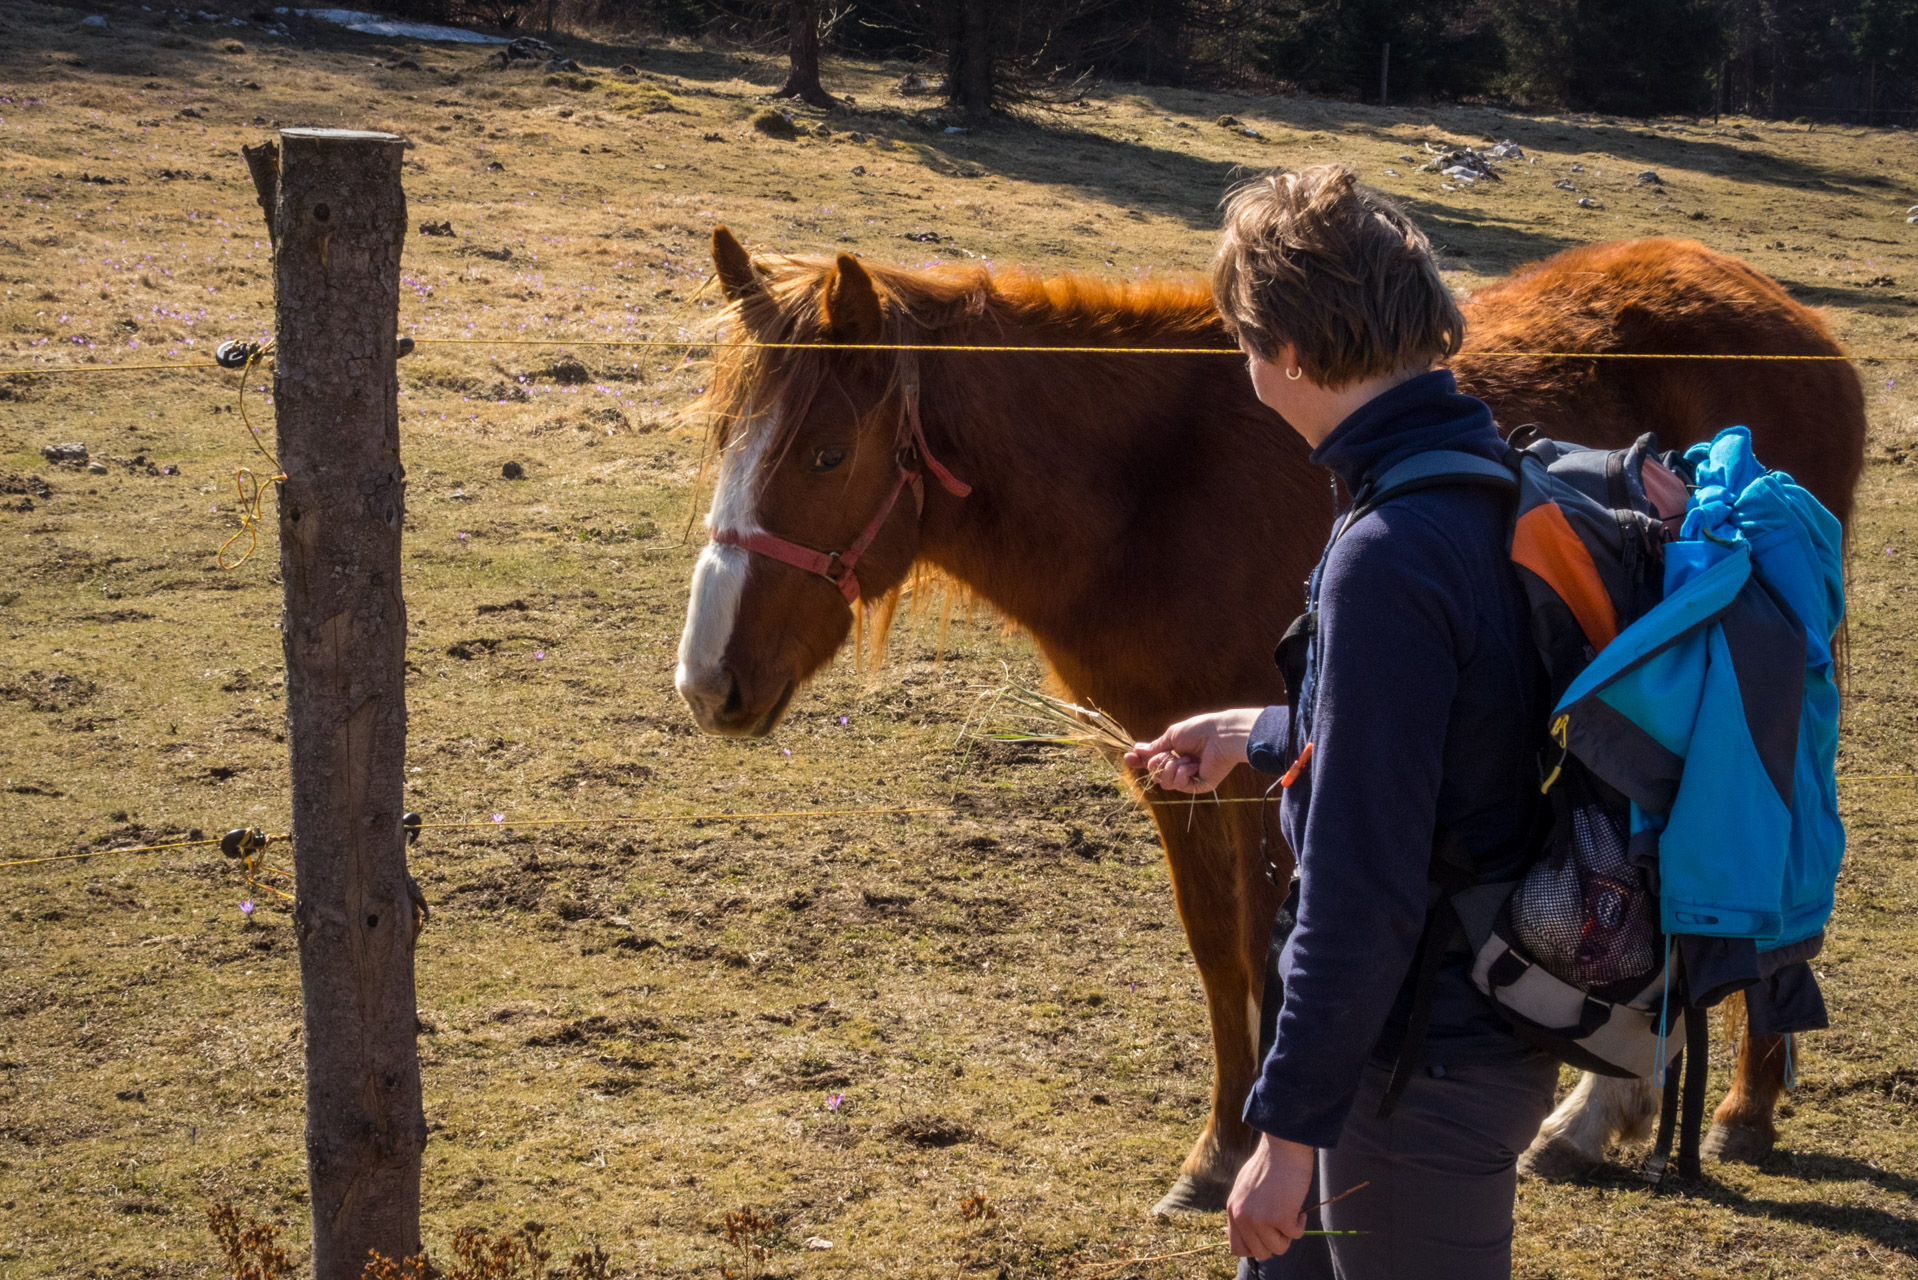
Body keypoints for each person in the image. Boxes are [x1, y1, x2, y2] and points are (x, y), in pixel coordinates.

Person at [1124, 164, 1558, 1280]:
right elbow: (1451, 736)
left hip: (1413, 1068)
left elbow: (1361, 880)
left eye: (1243, 338)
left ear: (1294, 354)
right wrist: (1260, 735)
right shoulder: (1468, 476)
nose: (1243, 365)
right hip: (1435, 1033)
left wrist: (1285, 1133)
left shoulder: (1388, 549)